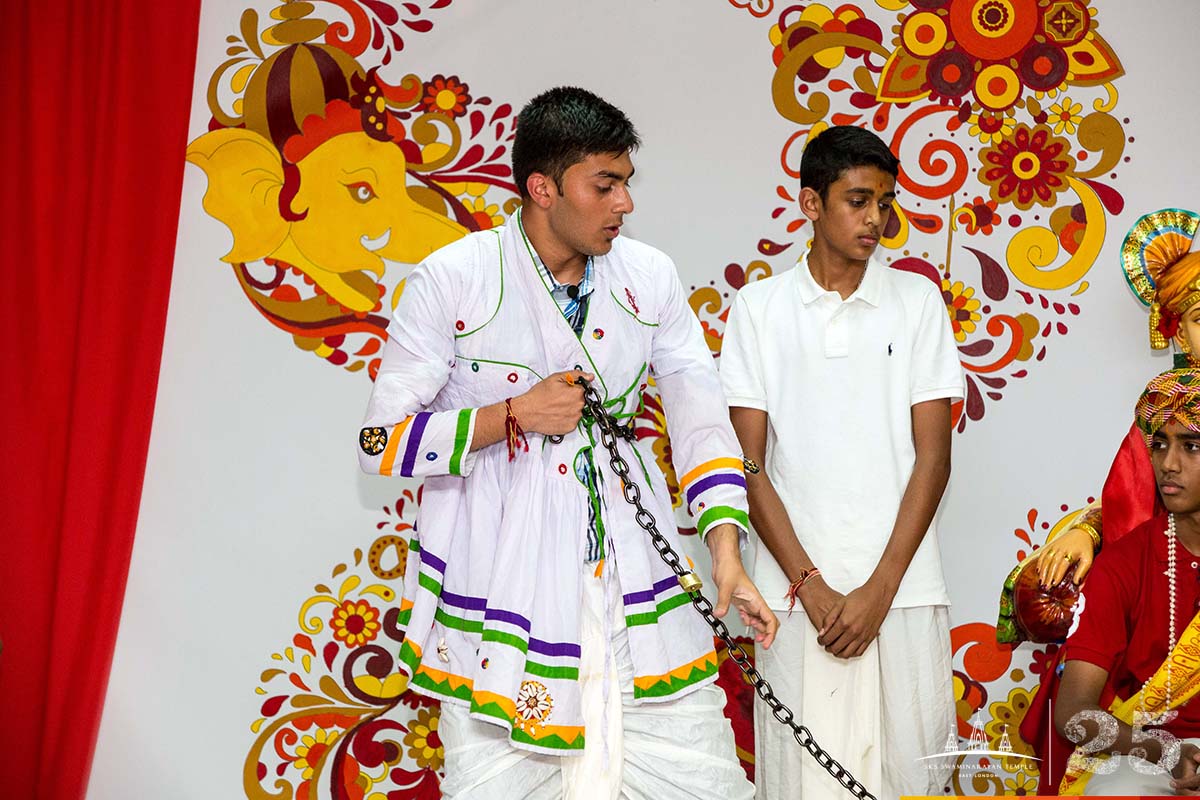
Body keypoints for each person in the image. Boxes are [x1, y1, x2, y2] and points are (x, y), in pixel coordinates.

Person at [358, 86, 777, 800]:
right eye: (605, 184)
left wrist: (726, 553)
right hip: (498, 580)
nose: (625, 204)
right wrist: (512, 414)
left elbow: (701, 419)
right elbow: (379, 442)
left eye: (626, 183)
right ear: (542, 188)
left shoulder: (650, 277)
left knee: (699, 778)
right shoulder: (451, 280)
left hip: (632, 575)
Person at [718, 125, 964, 800]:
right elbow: (749, 467)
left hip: (904, 594)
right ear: (810, 205)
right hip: (798, 607)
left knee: (911, 779)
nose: (876, 219)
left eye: (884, 202)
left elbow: (934, 460)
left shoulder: (917, 304)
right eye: (858, 200)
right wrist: (811, 586)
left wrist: (878, 591)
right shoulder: (759, 309)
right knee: (803, 785)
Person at [1003, 208, 1200, 793]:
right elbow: (1133, 499)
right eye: (1198, 317)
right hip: (1156, 732)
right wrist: (1088, 531)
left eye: (1190, 446)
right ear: (1177, 330)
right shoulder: (1165, 401)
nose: (1170, 460)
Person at [1053, 367, 1200, 795]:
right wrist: (1163, 752)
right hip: (1152, 750)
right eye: (1159, 444)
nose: (1168, 464)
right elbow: (1074, 714)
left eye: (1191, 446)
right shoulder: (1124, 562)